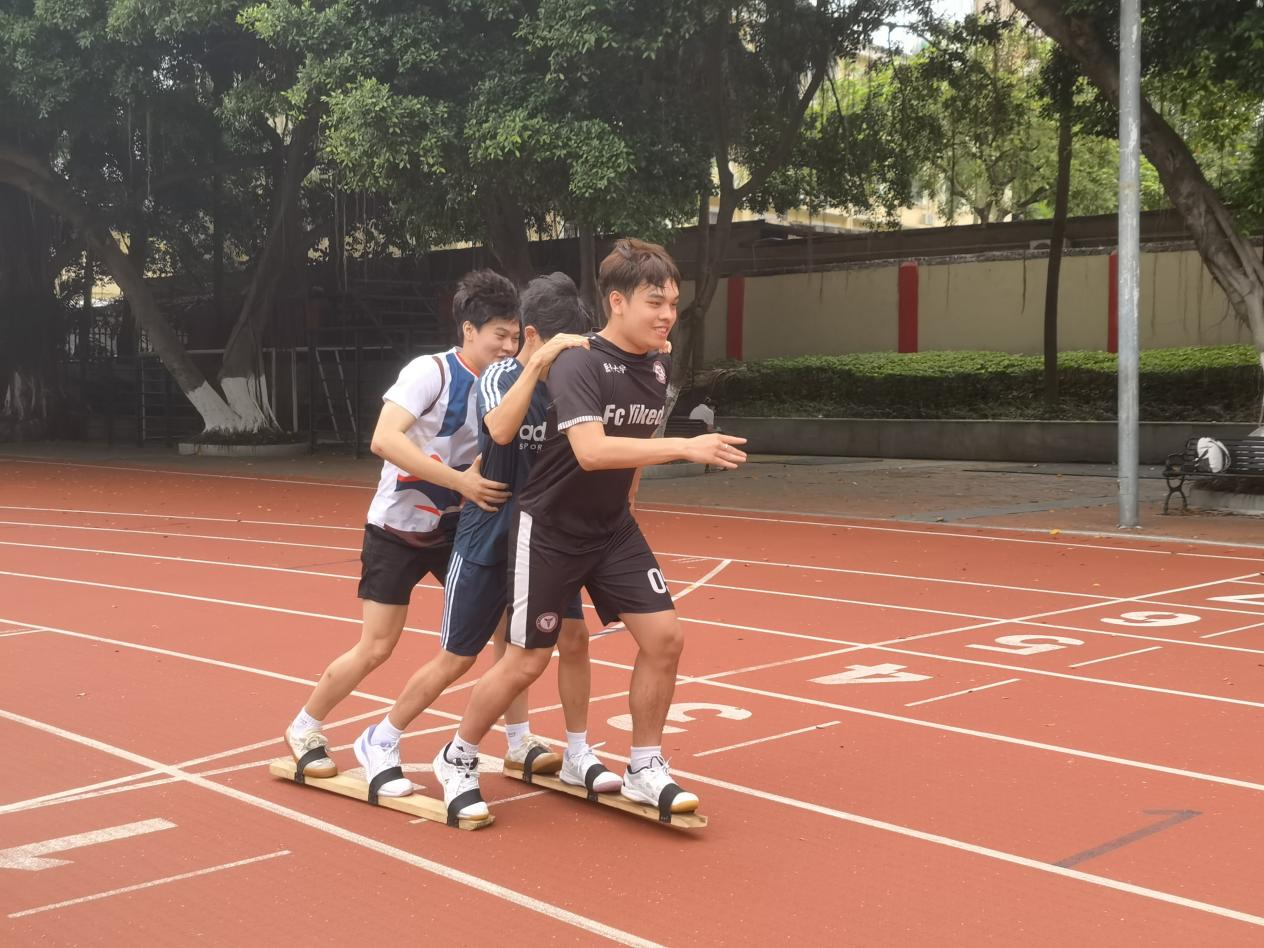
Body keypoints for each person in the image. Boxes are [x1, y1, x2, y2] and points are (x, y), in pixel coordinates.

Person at [431, 238, 748, 821]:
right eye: (655, 303)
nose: (667, 316)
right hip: (549, 529)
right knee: (527, 660)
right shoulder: (579, 362)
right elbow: (593, 450)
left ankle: (645, 766)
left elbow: (633, 445)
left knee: (665, 639)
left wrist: (630, 498)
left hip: (611, 529)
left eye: (673, 304)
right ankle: (457, 756)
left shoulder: (659, 361)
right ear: (617, 302)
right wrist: (686, 446)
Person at [350, 273, 621, 798]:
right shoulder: (499, 376)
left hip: (544, 542)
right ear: (537, 339)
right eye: (557, 347)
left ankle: (576, 751)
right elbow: (499, 428)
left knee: (572, 638)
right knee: (458, 657)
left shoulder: (571, 385)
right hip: (487, 539)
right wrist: (536, 364)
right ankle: (381, 738)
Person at [282, 270, 520, 778]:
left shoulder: (507, 385)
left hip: (458, 530)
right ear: (469, 330)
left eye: (515, 337)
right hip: (397, 529)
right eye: (499, 334)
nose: (508, 346)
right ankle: (304, 725)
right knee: (377, 646)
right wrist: (460, 483)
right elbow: (384, 439)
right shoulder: (429, 372)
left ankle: (519, 741)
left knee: (507, 628)